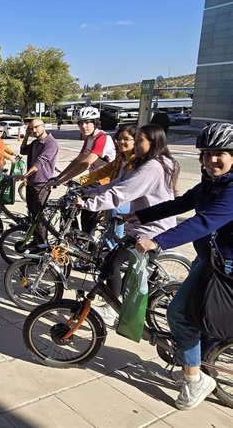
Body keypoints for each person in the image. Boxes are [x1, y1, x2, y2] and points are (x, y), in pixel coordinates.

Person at [134, 123, 233, 411]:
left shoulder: (231, 191)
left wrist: (158, 241)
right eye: (206, 153)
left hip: (224, 264)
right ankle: (199, 363)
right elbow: (179, 205)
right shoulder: (211, 185)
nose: (211, 159)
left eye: (220, 153)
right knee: (202, 317)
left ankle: (194, 380)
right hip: (209, 260)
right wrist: (138, 216)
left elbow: (203, 222)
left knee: (179, 316)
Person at [76, 124, 179, 325]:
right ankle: (115, 303)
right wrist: (89, 191)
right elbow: (117, 183)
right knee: (111, 261)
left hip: (151, 231)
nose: (135, 145)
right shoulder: (150, 163)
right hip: (144, 223)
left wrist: (89, 204)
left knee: (110, 264)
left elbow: (121, 193)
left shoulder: (152, 167)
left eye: (139, 140)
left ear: (153, 142)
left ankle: (112, 310)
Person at [50, 106, 116, 235]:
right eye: (81, 123)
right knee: (67, 204)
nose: (83, 126)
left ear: (95, 123)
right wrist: (59, 178)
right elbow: (77, 160)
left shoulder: (102, 139)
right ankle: (76, 237)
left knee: (87, 217)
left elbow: (85, 164)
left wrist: (63, 180)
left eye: (88, 122)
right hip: (93, 179)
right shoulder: (89, 139)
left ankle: (86, 242)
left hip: (104, 182)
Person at [79, 124, 138, 244]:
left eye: (126, 139)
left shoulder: (136, 162)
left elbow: (122, 188)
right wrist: (80, 181)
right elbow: (102, 172)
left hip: (126, 203)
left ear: (136, 141)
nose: (121, 142)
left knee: (111, 239)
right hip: (115, 197)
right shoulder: (120, 159)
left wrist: (90, 201)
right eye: (119, 139)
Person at [15, 119, 59, 241]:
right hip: (31, 183)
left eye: (36, 127)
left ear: (43, 126)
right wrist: (27, 136)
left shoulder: (50, 143)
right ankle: (36, 240)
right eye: (31, 128)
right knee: (32, 214)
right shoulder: (35, 142)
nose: (34, 130)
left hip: (42, 184)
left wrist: (25, 175)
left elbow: (40, 162)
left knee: (39, 217)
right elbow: (23, 150)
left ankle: (42, 245)